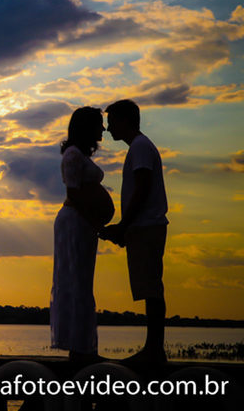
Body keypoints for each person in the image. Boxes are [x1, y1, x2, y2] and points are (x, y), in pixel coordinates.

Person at [101, 99, 168, 366]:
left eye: (112, 121)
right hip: (143, 227)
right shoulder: (140, 147)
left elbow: (141, 189)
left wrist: (123, 226)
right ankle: (154, 349)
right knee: (150, 287)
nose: (107, 128)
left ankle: (154, 351)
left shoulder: (140, 148)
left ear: (125, 120)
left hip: (146, 227)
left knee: (151, 289)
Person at [51, 106, 112, 364]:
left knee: (83, 281)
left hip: (82, 223)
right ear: (86, 127)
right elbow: (75, 194)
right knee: (76, 281)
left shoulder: (78, 154)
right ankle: (80, 347)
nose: (103, 129)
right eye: (98, 124)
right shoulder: (73, 155)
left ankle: (84, 345)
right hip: (75, 223)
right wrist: (96, 222)